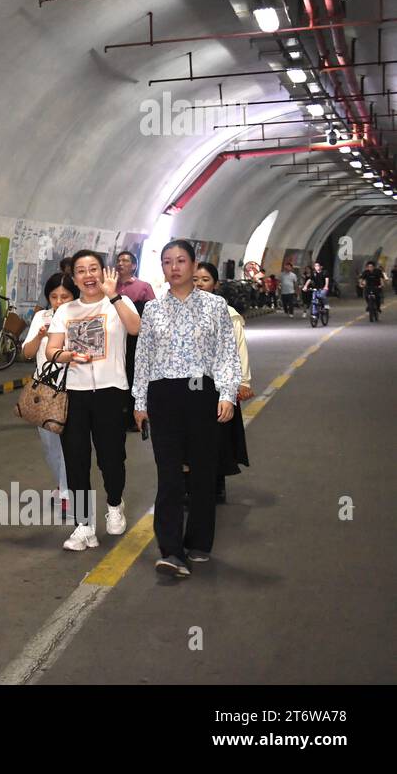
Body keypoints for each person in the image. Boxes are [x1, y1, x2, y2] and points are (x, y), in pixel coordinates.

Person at [132, 241, 240, 578]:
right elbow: (143, 357)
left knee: (204, 472)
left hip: (202, 393)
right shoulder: (152, 310)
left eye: (181, 261)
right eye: (167, 262)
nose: (174, 267)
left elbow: (226, 353)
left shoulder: (215, 306)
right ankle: (171, 551)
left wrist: (227, 393)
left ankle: (199, 542)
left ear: (194, 266)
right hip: (164, 394)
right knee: (169, 475)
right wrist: (140, 401)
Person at [44, 251, 141, 552]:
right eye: (81, 271)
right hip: (74, 392)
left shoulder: (118, 304)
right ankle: (83, 525)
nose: (88, 276)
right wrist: (67, 356)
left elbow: (136, 328)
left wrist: (114, 298)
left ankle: (115, 503)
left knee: (111, 456)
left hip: (111, 391)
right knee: (75, 459)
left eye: (93, 269)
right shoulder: (66, 311)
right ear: (74, 279)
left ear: (104, 273)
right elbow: (51, 351)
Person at [195, 262, 252, 503]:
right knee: (193, 436)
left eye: (205, 280)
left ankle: (217, 482)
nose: (199, 284)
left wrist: (243, 381)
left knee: (217, 435)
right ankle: (192, 484)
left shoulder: (228, 314)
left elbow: (240, 348)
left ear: (216, 284)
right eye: (195, 279)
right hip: (189, 386)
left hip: (218, 385)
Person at [21, 272, 76, 514]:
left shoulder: (82, 316)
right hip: (44, 390)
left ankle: (66, 491)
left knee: (69, 445)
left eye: (65, 296)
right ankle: (62, 484)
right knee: (50, 444)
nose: (59, 301)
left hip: (73, 388)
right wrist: (40, 335)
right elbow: (27, 353)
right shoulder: (41, 317)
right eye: (54, 296)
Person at [116, 250, 157, 431]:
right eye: (118, 260)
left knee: (132, 373)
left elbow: (152, 313)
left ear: (133, 265)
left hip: (134, 338)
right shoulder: (110, 286)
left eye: (125, 260)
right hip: (116, 337)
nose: (121, 263)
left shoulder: (143, 287)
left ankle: (133, 415)